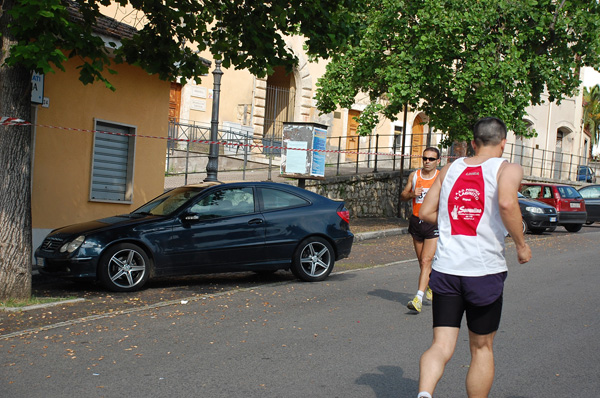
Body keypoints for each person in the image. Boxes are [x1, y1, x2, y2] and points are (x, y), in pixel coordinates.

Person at [416, 117, 532, 398]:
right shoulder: (508, 168)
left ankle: (424, 394)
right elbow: (506, 202)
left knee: (441, 346)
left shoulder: (450, 168)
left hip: (446, 270)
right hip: (483, 272)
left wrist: (453, 224)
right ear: (503, 143)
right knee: (481, 348)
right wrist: (521, 244)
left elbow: (425, 213)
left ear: (472, 142)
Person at [400, 147, 441, 313]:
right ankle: (430, 283)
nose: (427, 161)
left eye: (431, 159)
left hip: (433, 223)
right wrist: (411, 194)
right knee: (421, 261)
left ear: (438, 161)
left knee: (426, 260)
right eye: (425, 158)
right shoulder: (414, 176)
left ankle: (418, 298)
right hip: (417, 222)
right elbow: (403, 196)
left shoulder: (441, 177)